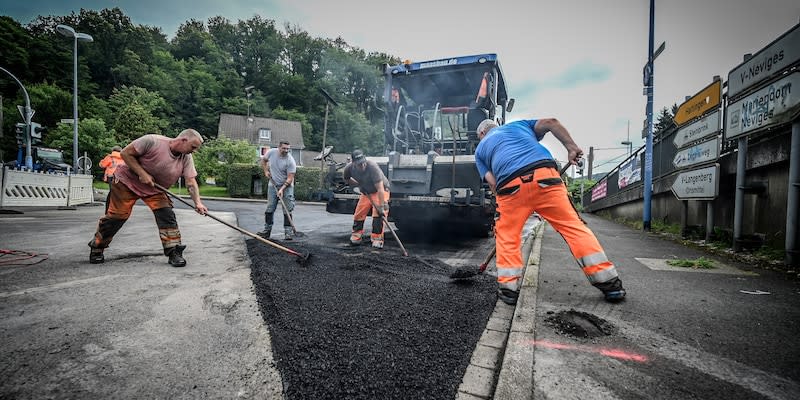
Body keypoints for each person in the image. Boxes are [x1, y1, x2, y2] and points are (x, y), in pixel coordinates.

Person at [474, 118, 626, 305]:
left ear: (482, 134)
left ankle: (508, 290)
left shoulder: (480, 150)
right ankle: (609, 283)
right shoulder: (518, 126)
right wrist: (571, 147)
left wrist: (507, 204)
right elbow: (551, 122)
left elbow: (493, 182)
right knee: (573, 228)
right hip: (545, 177)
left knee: (507, 236)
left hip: (509, 186)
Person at [87, 129, 208, 267]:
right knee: (117, 217)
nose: (194, 151)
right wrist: (142, 173)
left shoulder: (186, 158)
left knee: (166, 215)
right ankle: (97, 247)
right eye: (193, 147)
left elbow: (191, 182)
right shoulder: (152, 141)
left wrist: (198, 203)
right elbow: (125, 154)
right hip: (126, 183)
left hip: (155, 189)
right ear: (183, 140)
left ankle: (174, 251)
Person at [343, 149, 391, 249]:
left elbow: (380, 189)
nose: (363, 165)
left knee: (378, 214)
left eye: (363, 163)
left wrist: (381, 207)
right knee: (359, 212)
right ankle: (356, 236)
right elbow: (347, 179)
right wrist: (359, 184)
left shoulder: (372, 167)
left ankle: (377, 239)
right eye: (360, 164)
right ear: (353, 163)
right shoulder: (349, 168)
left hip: (381, 191)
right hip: (366, 192)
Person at [259, 140, 297, 240]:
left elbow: (290, 178)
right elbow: (263, 160)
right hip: (273, 185)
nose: (286, 150)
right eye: (284, 148)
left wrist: (282, 189)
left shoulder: (290, 161)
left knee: (287, 209)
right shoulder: (271, 152)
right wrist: (266, 171)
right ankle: (267, 231)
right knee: (270, 208)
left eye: (288, 149)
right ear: (279, 147)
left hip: (287, 186)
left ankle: (288, 233)